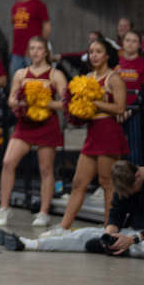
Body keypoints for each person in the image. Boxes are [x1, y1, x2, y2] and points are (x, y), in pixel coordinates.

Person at [0, 159, 144, 259]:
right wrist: (110, 233)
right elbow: (116, 212)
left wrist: (133, 239)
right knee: (86, 233)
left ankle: (119, 249)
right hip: (133, 234)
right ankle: (29, 244)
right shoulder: (126, 182)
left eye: (133, 190)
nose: (130, 195)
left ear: (137, 176)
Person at [54, 38, 128, 234]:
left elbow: (120, 108)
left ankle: (109, 229)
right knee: (79, 182)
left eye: (99, 51)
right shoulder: (87, 77)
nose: (94, 55)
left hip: (109, 132)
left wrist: (94, 101)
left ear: (107, 55)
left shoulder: (114, 78)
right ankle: (63, 227)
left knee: (107, 183)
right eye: (92, 51)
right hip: (93, 132)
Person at [0, 35, 66, 229]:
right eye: (32, 48)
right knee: (8, 162)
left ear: (46, 52)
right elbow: (10, 99)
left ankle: (43, 212)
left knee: (45, 169)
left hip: (47, 124)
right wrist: (21, 102)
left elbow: (66, 102)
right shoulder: (21, 73)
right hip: (25, 124)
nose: (35, 51)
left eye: (39, 48)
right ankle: (4, 208)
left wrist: (47, 102)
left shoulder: (55, 74)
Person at [9, 0, 50, 77]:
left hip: (32, 52)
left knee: (33, 80)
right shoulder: (15, 6)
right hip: (17, 51)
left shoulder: (38, 4)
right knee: (18, 82)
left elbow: (47, 26)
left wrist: (41, 46)